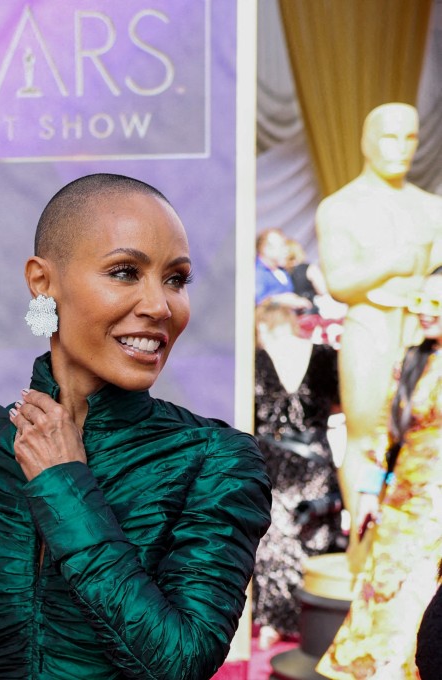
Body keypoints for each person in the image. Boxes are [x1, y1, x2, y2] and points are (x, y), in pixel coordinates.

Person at [0, 174, 272, 679]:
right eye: (125, 272)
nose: (160, 306)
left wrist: (64, 484)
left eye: (176, 278)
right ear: (42, 282)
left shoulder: (217, 460)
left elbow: (181, 663)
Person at [315, 103, 442, 517]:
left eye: (410, 138)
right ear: (367, 142)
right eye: (390, 136)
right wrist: (391, 262)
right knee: (365, 435)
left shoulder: (431, 207)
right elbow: (339, 282)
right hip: (371, 325)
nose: (401, 148)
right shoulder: (341, 206)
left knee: (426, 433)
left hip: (423, 331)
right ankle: (360, 549)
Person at [317, 268, 442, 679]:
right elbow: (385, 436)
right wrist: (369, 492)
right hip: (405, 506)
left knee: (426, 601)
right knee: (387, 594)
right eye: (420, 301)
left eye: (435, 303)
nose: (424, 312)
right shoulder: (413, 361)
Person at [251, 300, 342, 650]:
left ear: (263, 325)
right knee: (313, 539)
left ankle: (273, 623)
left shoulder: (254, 359)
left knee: (271, 544)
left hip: (271, 462)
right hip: (314, 462)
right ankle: (313, 620)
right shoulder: (324, 355)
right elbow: (339, 404)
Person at [255, 228, 314, 311]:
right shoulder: (258, 273)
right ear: (266, 249)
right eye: (282, 246)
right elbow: (257, 301)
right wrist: (280, 300)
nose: (286, 250)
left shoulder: (282, 270)